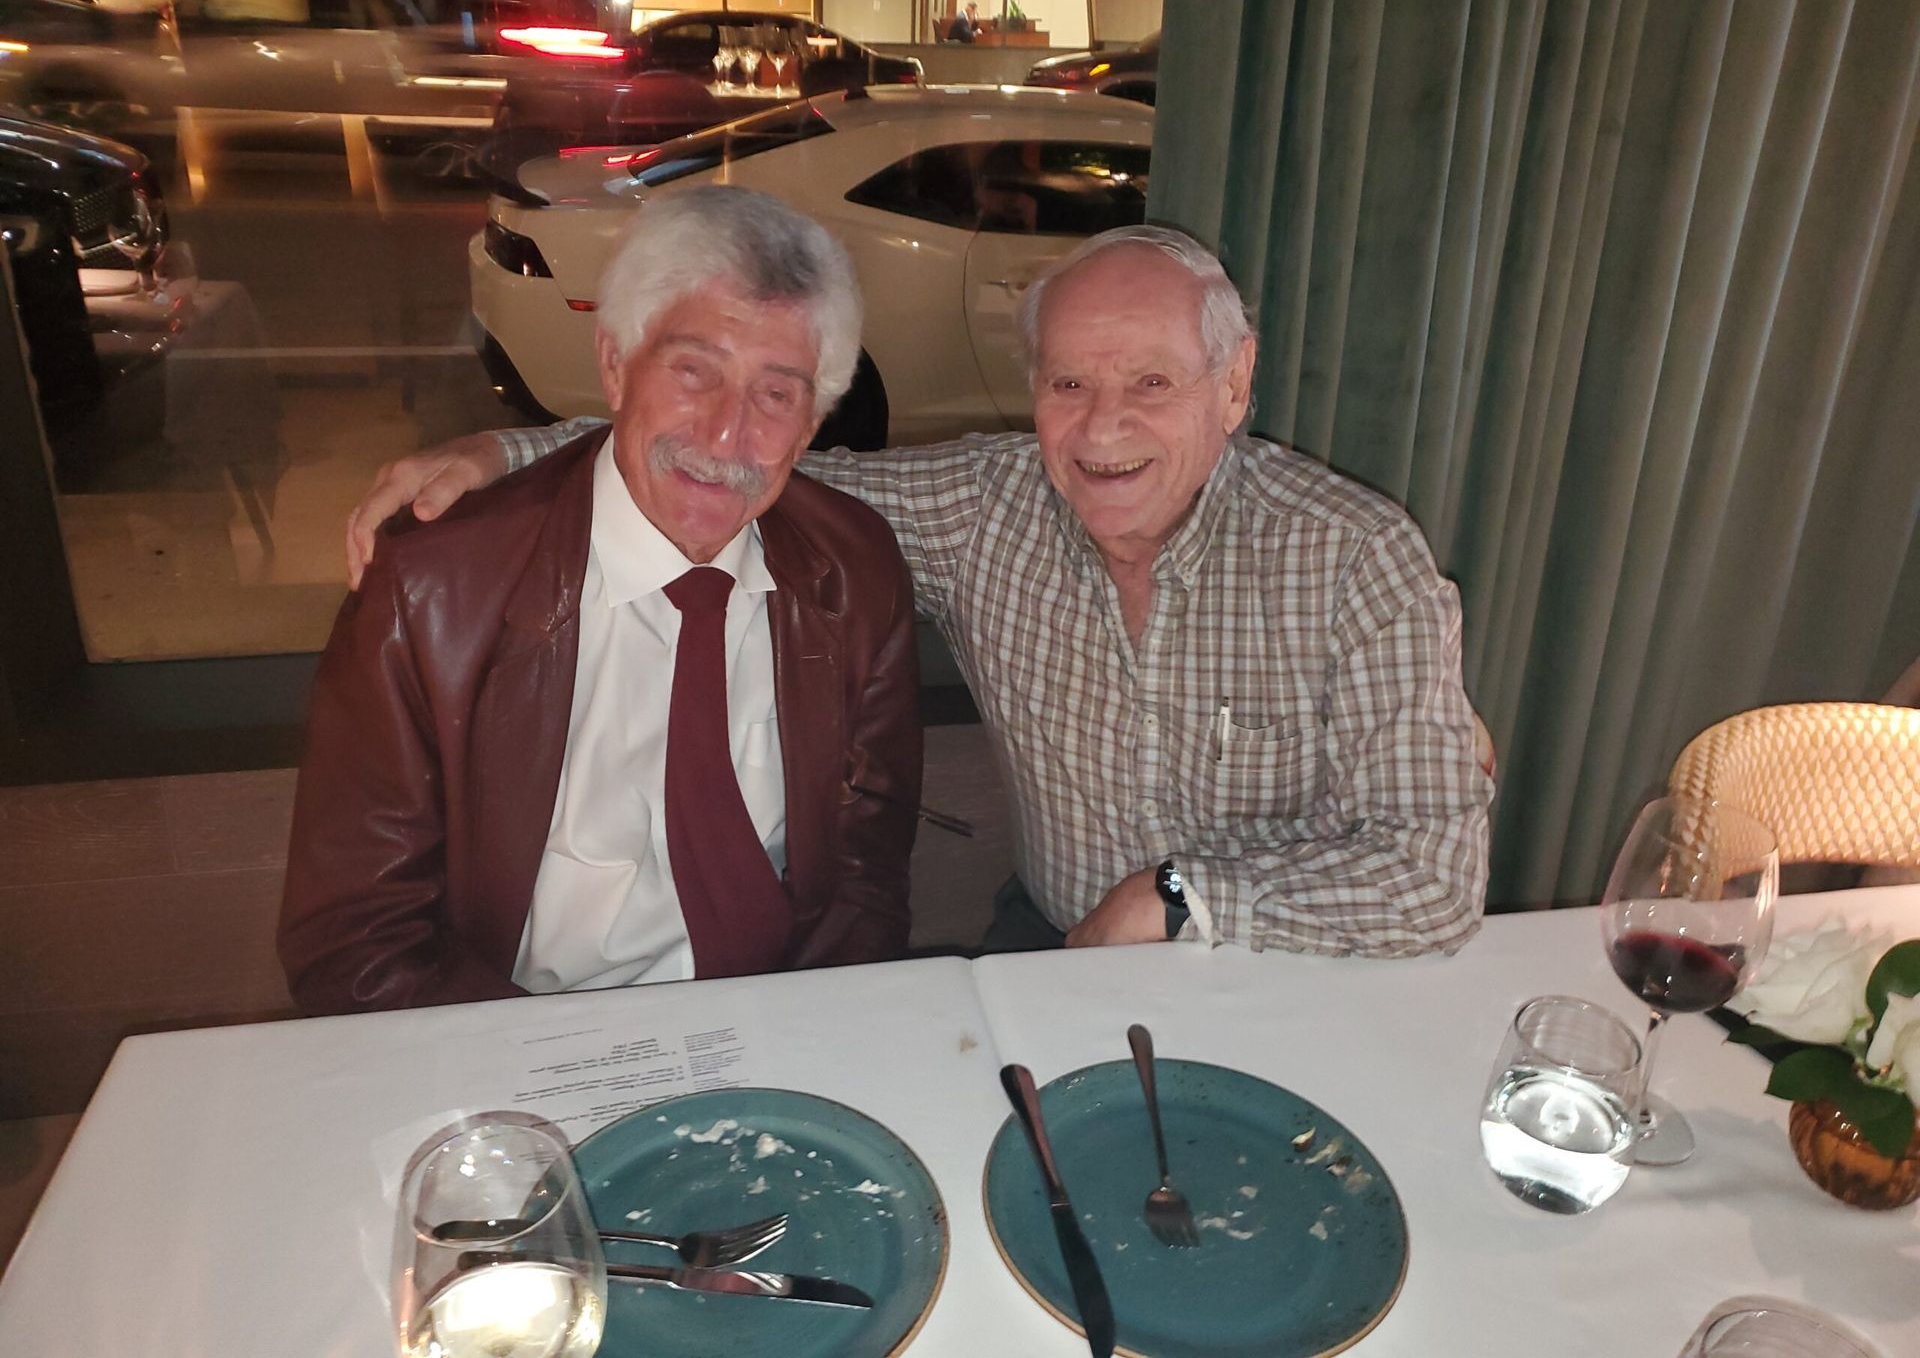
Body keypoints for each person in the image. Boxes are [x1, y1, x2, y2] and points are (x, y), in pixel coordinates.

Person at [348, 224, 1493, 959]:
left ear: (1232, 385)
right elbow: (750, 461)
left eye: (1152, 382)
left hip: (1297, 963)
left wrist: (1180, 898)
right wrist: (506, 454)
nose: (1103, 430)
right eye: (1068, 384)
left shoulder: (1354, 558)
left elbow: (1436, 881)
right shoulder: (988, 509)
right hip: (1049, 943)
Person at [281, 187, 922, 1014]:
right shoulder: (433, 590)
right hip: (518, 1033)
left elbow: (865, 874)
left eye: (775, 394)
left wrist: (805, 1035)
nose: (726, 435)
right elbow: (357, 943)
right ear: (615, 365)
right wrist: (547, 1068)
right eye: (694, 371)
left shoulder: (855, 570)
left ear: (811, 423)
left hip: (777, 1020)